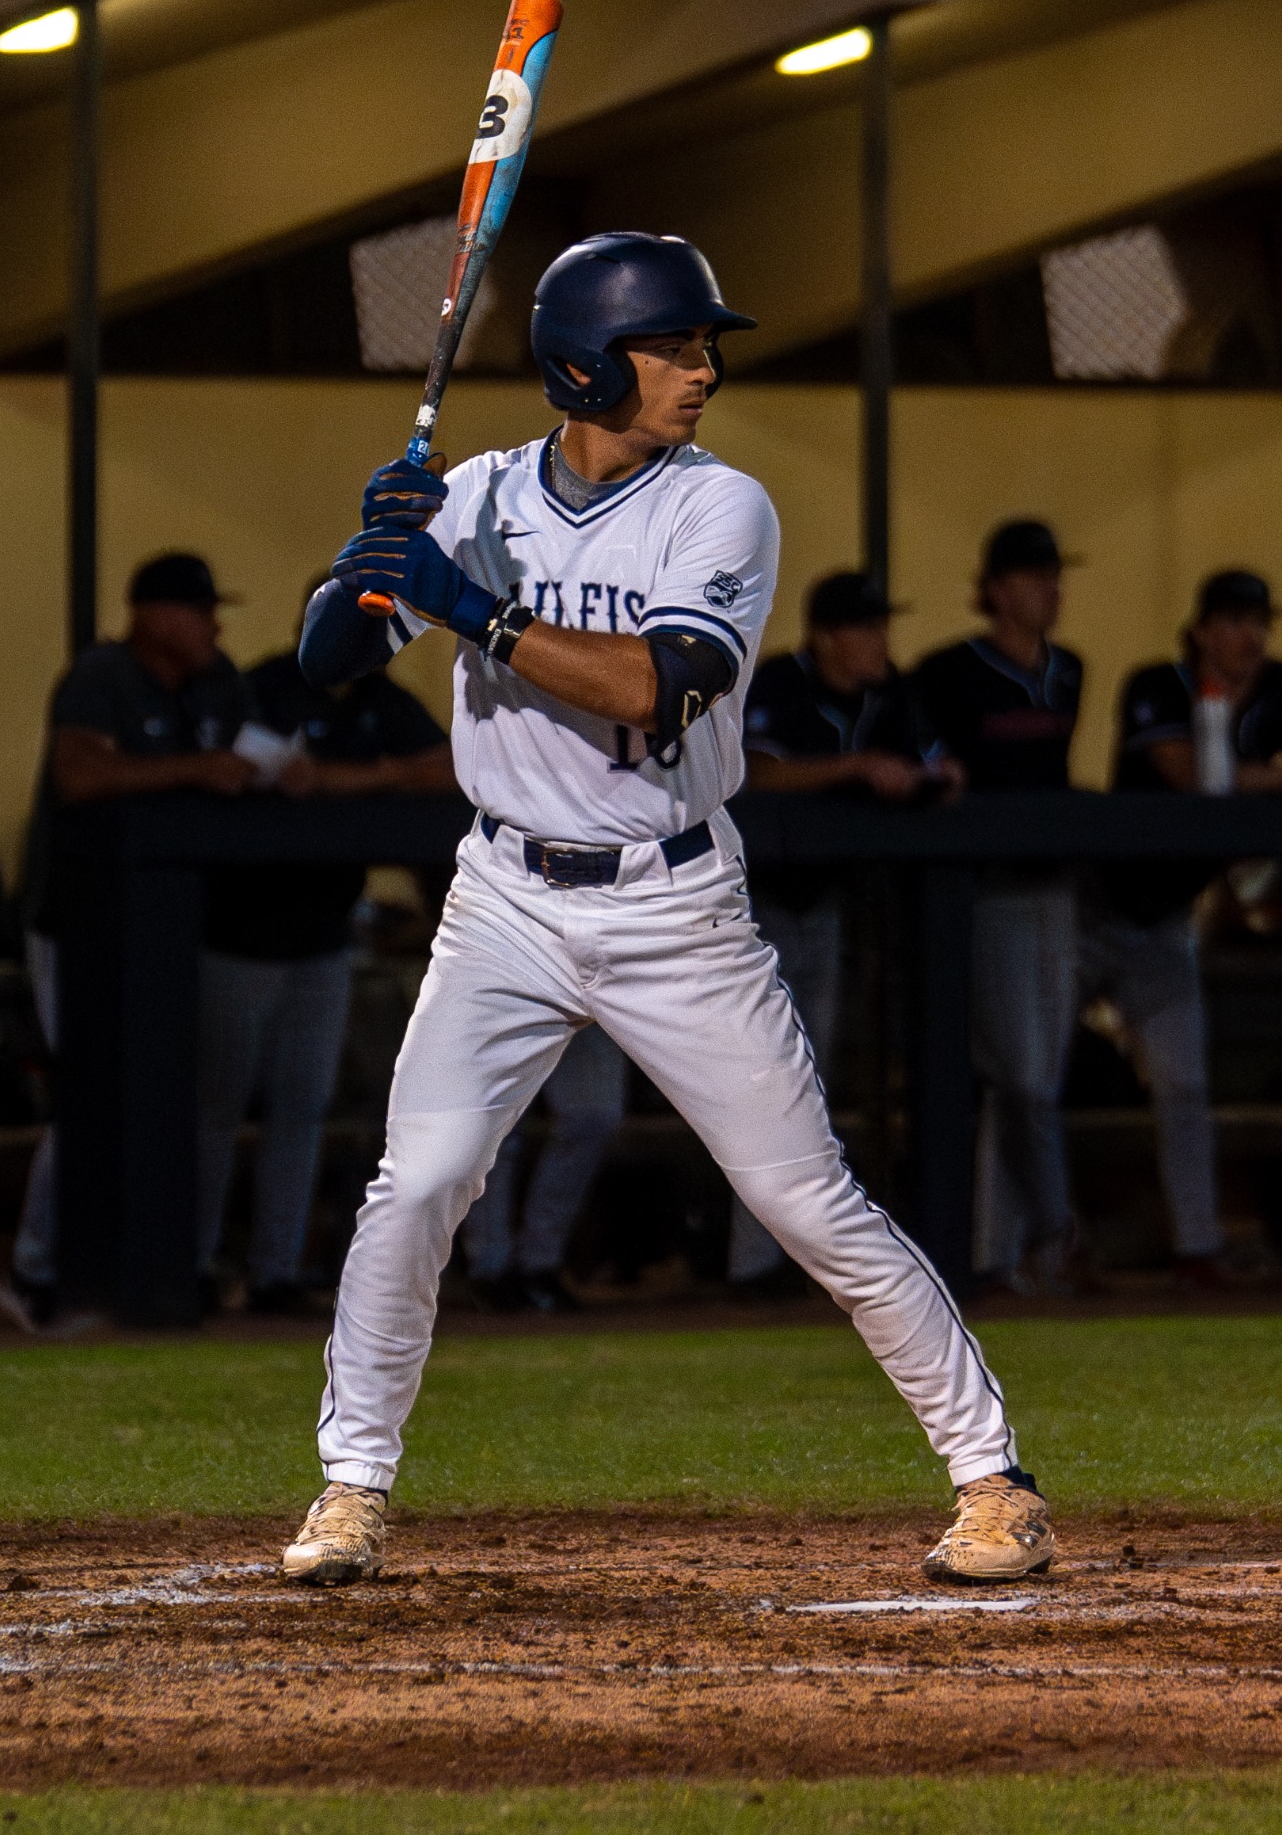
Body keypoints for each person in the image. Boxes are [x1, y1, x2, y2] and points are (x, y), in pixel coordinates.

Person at [279, 231, 1052, 1588]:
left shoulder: (720, 506)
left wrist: (475, 610)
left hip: (670, 900)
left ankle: (994, 1481)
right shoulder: (478, 494)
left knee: (803, 1198)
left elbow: (663, 686)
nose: (702, 370)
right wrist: (369, 561)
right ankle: (351, 1488)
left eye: (702, 348)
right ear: (586, 364)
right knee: (417, 1186)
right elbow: (324, 665)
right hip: (504, 898)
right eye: (674, 346)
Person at [0, 553, 257, 1333]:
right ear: (155, 615)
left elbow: (252, 758)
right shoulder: (102, 676)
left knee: (170, 1095)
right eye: (199, 611)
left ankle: (154, 1267)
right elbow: (79, 777)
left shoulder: (216, 685)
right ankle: (37, 1269)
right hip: (75, 922)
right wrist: (195, 769)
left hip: (171, 929)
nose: (213, 626)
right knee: (88, 1094)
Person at [196, 587, 456, 1314]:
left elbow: (448, 765)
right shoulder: (263, 686)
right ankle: (192, 1266)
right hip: (239, 937)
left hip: (323, 938)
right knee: (214, 1112)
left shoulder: (379, 699)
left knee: (301, 1111)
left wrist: (352, 780)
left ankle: (274, 1273)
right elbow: (221, 765)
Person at [1087, 570, 1282, 1284]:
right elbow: (1193, 776)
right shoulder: (1157, 683)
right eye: (1232, 621)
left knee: (1184, 1086)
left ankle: (1197, 1247)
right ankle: (1012, 1256)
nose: (1248, 636)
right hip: (1089, 906)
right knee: (1026, 1084)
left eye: (1258, 622)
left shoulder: (1279, 688)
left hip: (1166, 922)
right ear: (1199, 631)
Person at [736, 570, 961, 1294]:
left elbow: (933, 763)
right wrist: (858, 768)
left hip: (828, 904)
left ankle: (790, 1258)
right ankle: (751, 1263)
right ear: (829, 636)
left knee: (809, 1080)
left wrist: (934, 778)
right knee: (760, 1082)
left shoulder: (890, 691)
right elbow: (757, 775)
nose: (880, 641)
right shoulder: (780, 681)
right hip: (754, 907)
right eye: (866, 628)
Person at [909, 521, 1084, 1294]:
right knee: (1020, 1078)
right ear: (995, 589)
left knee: (1038, 1079)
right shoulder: (949, 672)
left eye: (1053, 574)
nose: (1049, 589)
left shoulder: (1068, 670)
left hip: (1054, 885)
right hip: (983, 892)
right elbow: (926, 757)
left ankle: (1002, 1255)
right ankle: (1055, 1233)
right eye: (1033, 576)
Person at [459, 1021, 627, 1313]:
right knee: (497, 1127)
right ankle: (490, 1268)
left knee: (593, 1117)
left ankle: (540, 1263)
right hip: (506, 997)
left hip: (597, 998)